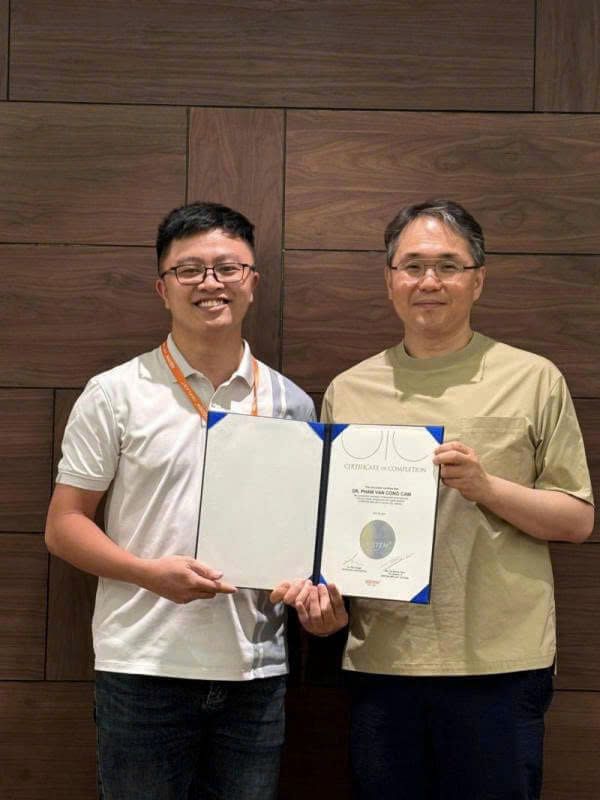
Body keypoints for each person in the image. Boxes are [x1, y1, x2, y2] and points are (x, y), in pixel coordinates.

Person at [274, 199, 594, 799]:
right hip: (383, 661)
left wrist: (486, 487)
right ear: (389, 279)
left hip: (501, 664)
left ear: (478, 280)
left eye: (448, 266)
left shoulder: (534, 378)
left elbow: (576, 519)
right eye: (413, 265)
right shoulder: (349, 389)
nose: (429, 281)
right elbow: (326, 531)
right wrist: (324, 604)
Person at [45, 201, 316, 800]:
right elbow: (64, 525)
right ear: (162, 288)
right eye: (189, 270)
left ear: (253, 282)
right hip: (143, 667)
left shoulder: (293, 404)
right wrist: (148, 574)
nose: (210, 283)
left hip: (255, 671)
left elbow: (300, 537)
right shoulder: (115, 393)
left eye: (227, 268)